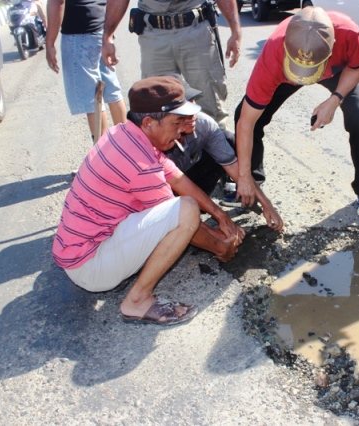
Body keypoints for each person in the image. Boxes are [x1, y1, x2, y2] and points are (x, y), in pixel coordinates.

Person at [52, 77, 246, 325]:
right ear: (148, 123)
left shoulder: (124, 133)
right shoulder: (139, 164)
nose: (181, 130)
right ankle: (137, 301)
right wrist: (222, 247)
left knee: (182, 206)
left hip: (85, 248)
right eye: (176, 122)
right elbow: (180, 217)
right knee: (185, 209)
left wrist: (221, 216)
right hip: (90, 266)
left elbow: (176, 177)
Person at [232, 6, 359, 219]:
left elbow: (357, 66)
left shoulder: (350, 34)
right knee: (245, 114)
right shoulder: (274, 52)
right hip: (285, 71)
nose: (307, 78)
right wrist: (243, 175)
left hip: (337, 71)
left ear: (333, 46)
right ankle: (252, 185)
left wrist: (335, 100)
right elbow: (246, 122)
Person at [163, 77, 284, 229]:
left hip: (186, 178)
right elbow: (174, 183)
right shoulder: (154, 141)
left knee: (228, 140)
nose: (192, 113)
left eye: (192, 102)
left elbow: (232, 165)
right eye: (183, 110)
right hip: (162, 193)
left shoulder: (203, 124)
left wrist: (267, 204)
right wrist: (218, 221)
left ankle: (197, 207)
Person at [101, 0, 241, 130]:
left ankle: (217, 155)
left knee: (211, 111)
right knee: (156, 113)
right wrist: (107, 35)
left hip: (195, 29)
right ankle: (163, 156)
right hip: (154, 34)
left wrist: (236, 31)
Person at [46, 0, 127, 142]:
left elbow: (57, 2)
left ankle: (103, 155)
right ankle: (128, 143)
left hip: (79, 31)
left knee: (93, 99)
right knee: (111, 91)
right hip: (101, 27)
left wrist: (50, 42)